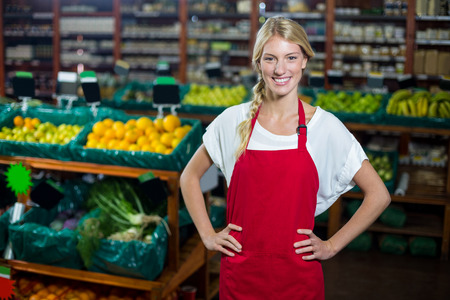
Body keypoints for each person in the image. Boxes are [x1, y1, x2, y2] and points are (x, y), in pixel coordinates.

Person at [180, 16, 391, 300]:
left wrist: (331, 245)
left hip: (299, 281)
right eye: (270, 59)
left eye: (291, 57)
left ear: (304, 60)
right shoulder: (234, 120)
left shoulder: (324, 127)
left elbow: (378, 194)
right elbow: (189, 176)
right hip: (241, 277)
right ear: (258, 63)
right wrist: (207, 235)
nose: (281, 69)